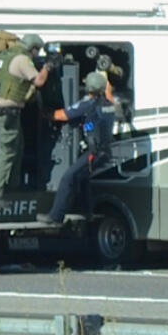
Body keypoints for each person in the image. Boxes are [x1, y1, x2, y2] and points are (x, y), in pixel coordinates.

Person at [40, 71, 116, 224]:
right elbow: (108, 91)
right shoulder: (109, 103)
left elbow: (62, 116)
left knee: (68, 177)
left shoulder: (87, 104)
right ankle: (87, 213)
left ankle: (55, 216)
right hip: (105, 152)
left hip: (93, 153)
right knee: (82, 178)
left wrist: (44, 112)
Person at [0, 33, 50, 202]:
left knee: (17, 147)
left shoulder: (9, 54)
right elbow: (38, 81)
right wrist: (47, 67)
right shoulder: (23, 59)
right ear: (33, 49)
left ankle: (11, 186)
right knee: (7, 152)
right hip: (7, 111)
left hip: (2, 110)